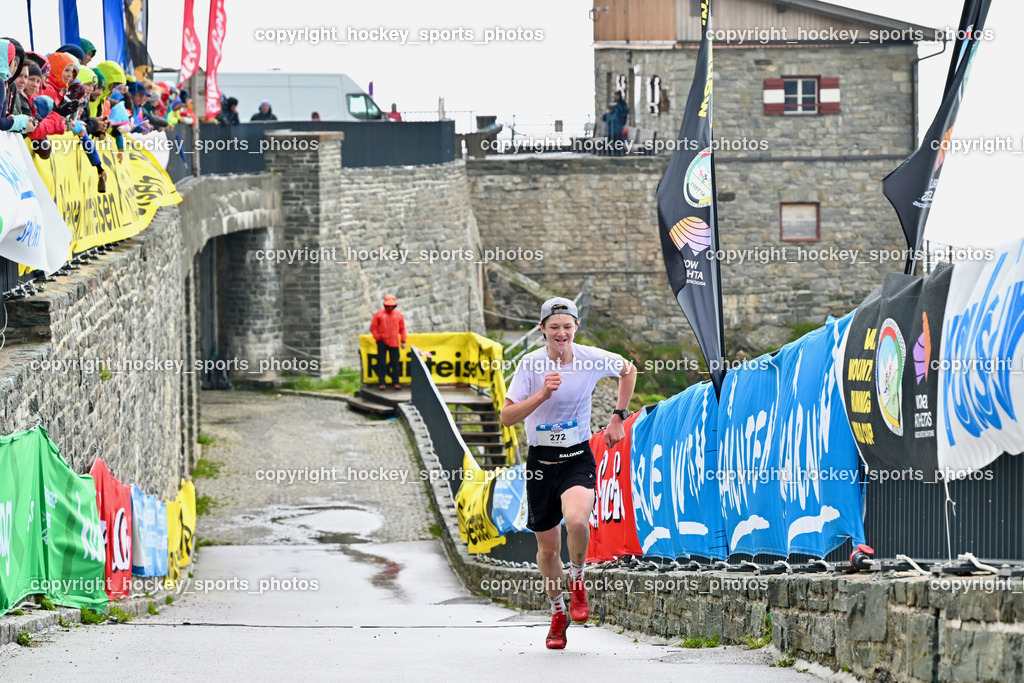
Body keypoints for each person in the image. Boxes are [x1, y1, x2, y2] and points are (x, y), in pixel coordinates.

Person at [500, 297, 636, 650]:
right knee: (548, 550)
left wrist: (618, 416)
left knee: (577, 521)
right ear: (542, 329)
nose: (561, 333)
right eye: (554, 327)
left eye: (567, 326)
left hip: (577, 456)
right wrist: (543, 394)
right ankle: (557, 611)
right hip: (541, 463)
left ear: (576, 327)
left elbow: (629, 369)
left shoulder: (590, 357)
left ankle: (578, 580)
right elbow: (507, 417)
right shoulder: (530, 365)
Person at [369, 294, 407, 390]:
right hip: (382, 342)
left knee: (395, 363)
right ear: (385, 305)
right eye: (388, 305)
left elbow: (402, 328)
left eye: (392, 305)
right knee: (381, 363)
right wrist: (378, 338)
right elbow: (373, 328)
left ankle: (396, 383)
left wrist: (403, 340)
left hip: (394, 342)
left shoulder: (398, 315)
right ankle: (382, 383)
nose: (390, 307)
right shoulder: (379, 314)